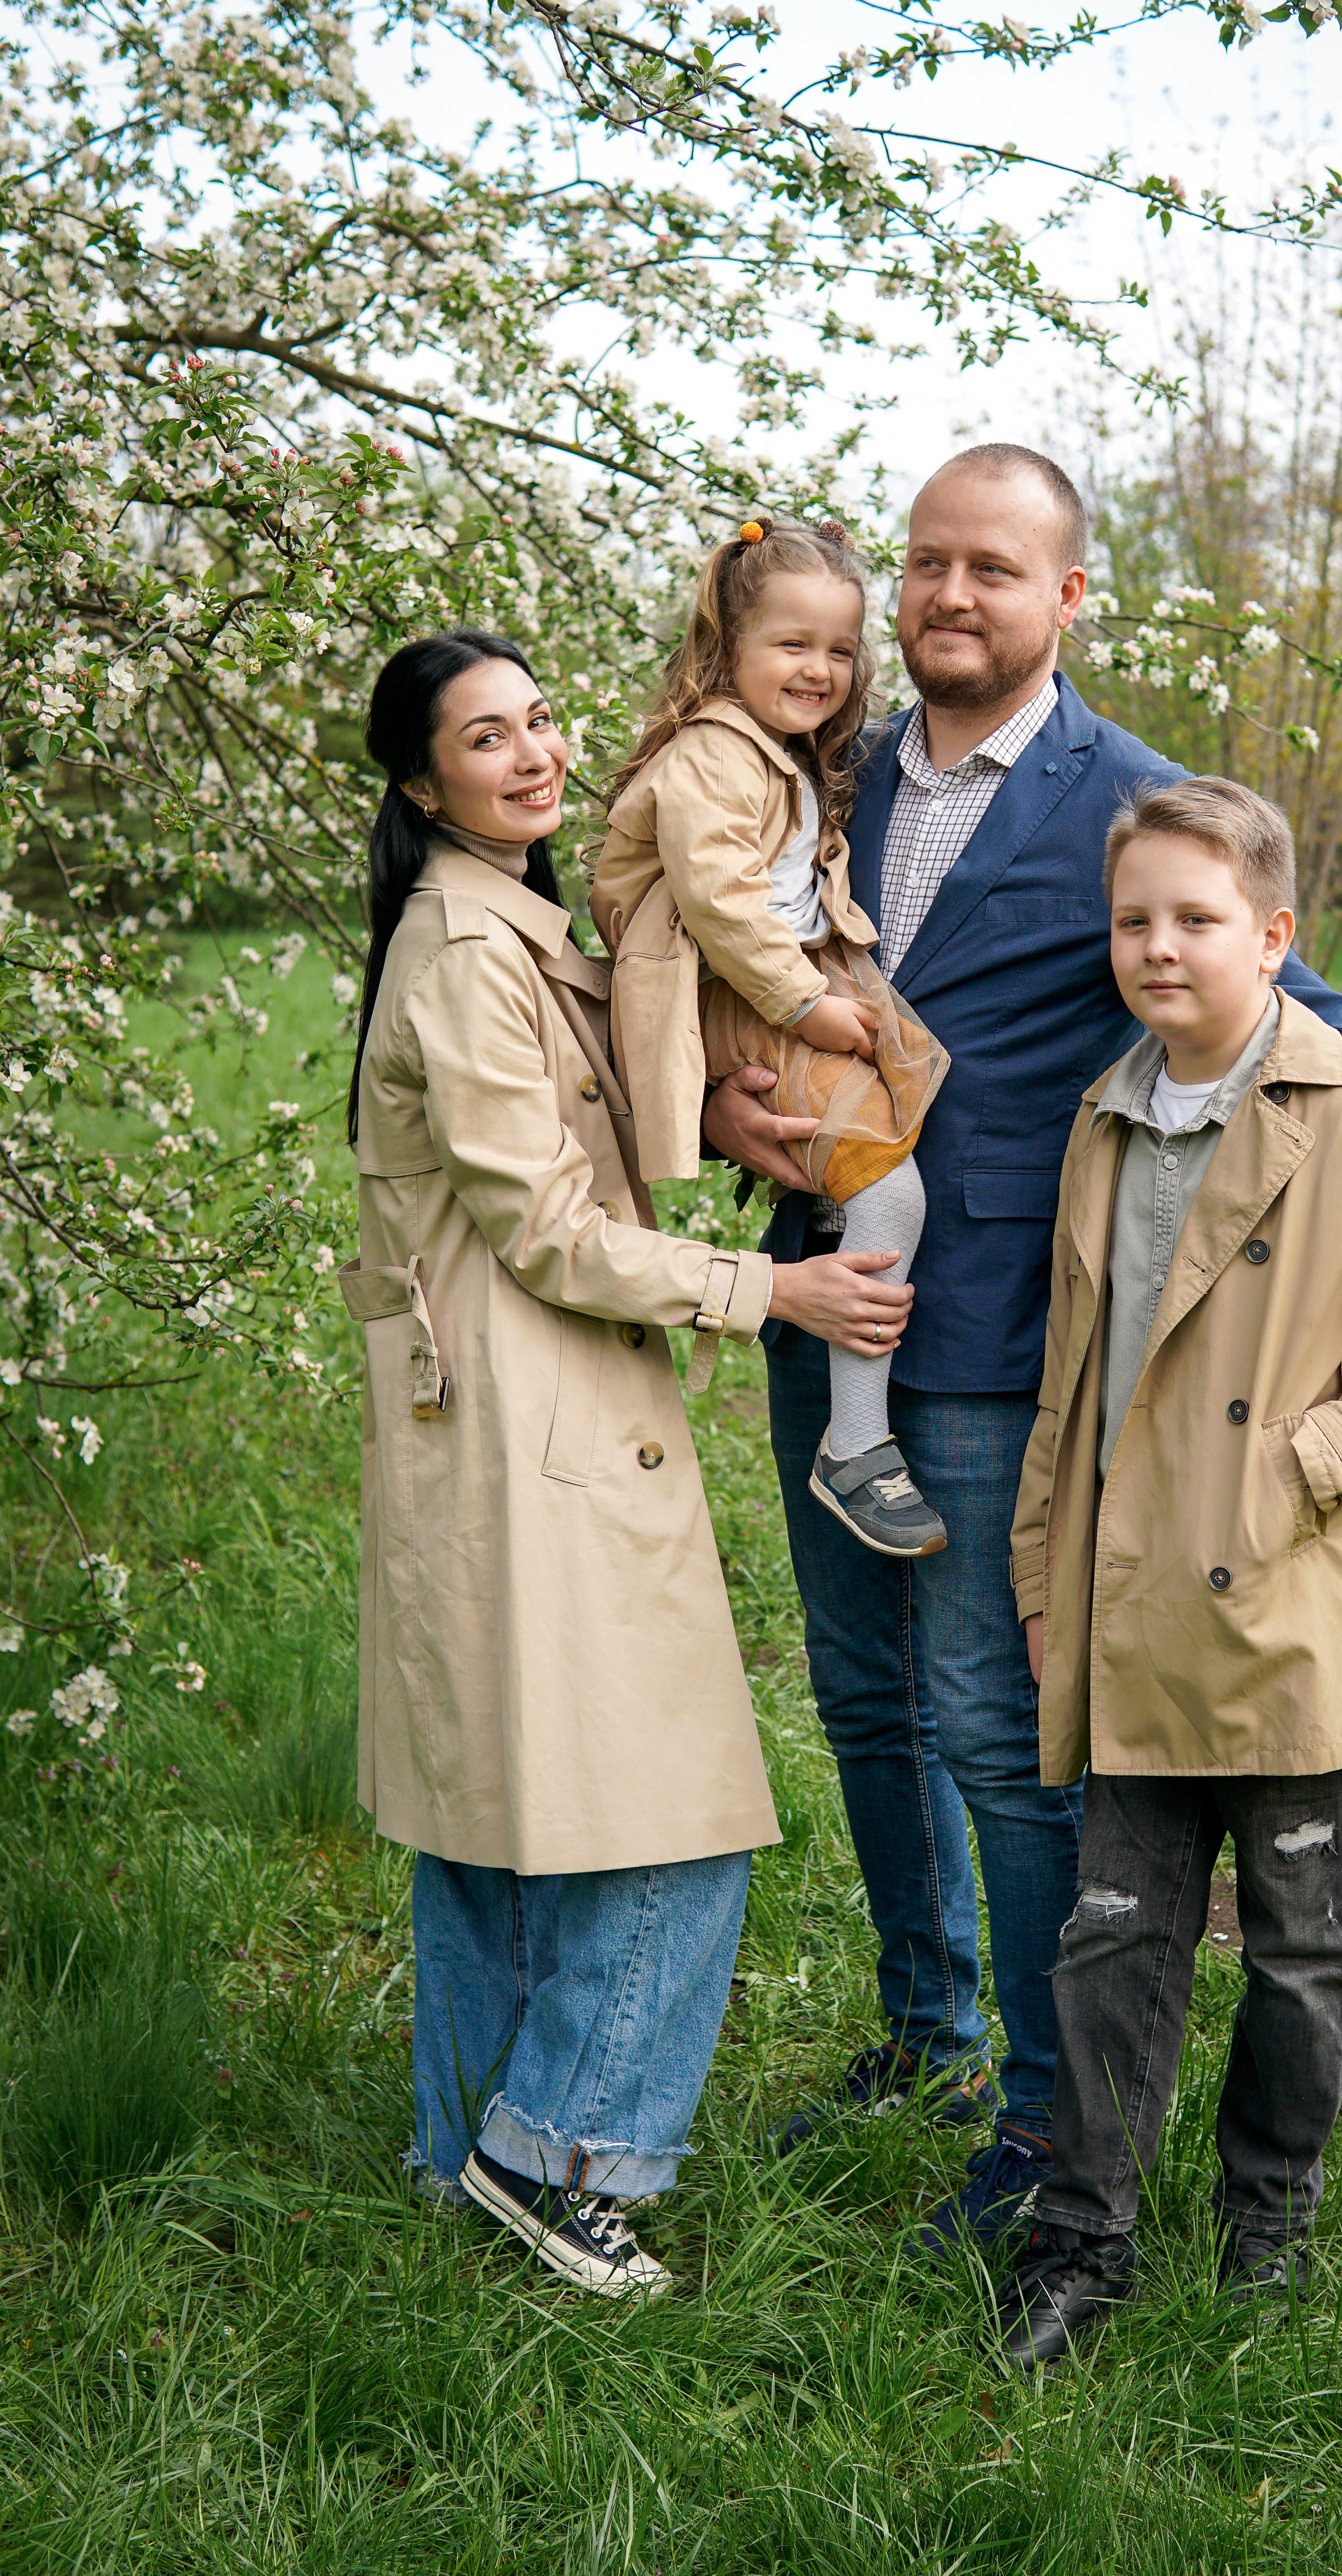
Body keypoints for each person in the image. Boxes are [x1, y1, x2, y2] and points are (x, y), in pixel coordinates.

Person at [702, 444, 1342, 2258]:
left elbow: (1322, 1016)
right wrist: (713, 1102)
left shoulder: (1124, 803)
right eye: (926, 565)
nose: (947, 598)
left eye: (994, 568)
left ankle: (1050, 2118)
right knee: (859, 1701)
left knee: (995, 1722)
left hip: (997, 1339)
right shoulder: (802, 779)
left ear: (1071, 597)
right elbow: (719, 975)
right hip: (817, 1298)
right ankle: (925, 2026)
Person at [341, 628, 913, 2297]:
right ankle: (559, 2156)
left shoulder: (511, 932)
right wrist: (769, 1289)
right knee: (670, 1817)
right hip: (540, 1430)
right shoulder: (464, 951)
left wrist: (718, 1125)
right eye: (482, 739)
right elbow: (543, 1228)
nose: (529, 758)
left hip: (509, 1430)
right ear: (417, 782)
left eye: (539, 724)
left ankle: (464, 2155)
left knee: (494, 1810)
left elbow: (564, 1136)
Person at [994, 776, 1342, 2369]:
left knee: (1293, 1945)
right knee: (1115, 1934)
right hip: (1130, 1609)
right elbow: (1075, 1376)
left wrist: (1288, 1474)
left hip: (1283, 1613)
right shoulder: (1104, 1111)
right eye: (1132, 919)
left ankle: (1264, 2217)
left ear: (1272, 937)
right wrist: (1037, 1576)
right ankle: (1082, 2237)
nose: (1157, 947)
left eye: (1195, 919)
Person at [591, 517, 951, 1557]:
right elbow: (720, 901)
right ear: (728, 646)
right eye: (793, 645)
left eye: (840, 650)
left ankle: (844, 1206)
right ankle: (856, 1442)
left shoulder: (771, 752)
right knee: (893, 1185)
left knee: (897, 1121)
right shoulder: (712, 751)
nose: (821, 670)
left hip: (779, 977)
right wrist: (802, 1006)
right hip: (749, 988)